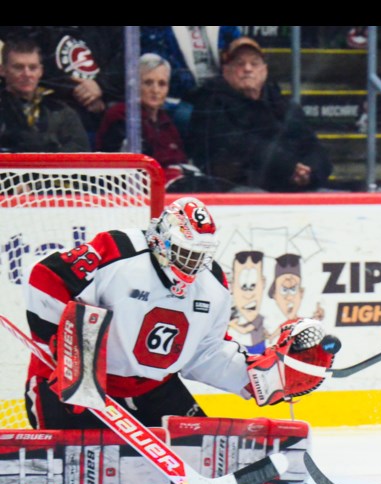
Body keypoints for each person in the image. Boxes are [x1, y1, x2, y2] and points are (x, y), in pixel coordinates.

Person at [23, 196, 338, 430]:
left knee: (206, 455)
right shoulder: (118, 250)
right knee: (81, 462)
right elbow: (45, 279)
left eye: (200, 255)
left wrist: (265, 377)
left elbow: (205, 352)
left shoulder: (212, 283)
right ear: (161, 239)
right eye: (186, 253)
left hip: (153, 389)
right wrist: (68, 357)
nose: (192, 264)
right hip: (72, 386)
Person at [188, 36, 333, 192]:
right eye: (240, 64)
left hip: (292, 184)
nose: (248, 69)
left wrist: (310, 172)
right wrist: (289, 167)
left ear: (264, 70)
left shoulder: (283, 104)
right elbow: (238, 146)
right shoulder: (209, 102)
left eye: (254, 63)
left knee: (333, 199)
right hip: (237, 189)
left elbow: (314, 147)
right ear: (226, 70)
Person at [94, 53, 231, 192]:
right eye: (148, 82)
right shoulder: (122, 115)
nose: (155, 90)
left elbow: (179, 159)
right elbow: (131, 170)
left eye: (162, 84)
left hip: (172, 185)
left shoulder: (165, 119)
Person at [0, 26, 125, 138]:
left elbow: (128, 61)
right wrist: (80, 92)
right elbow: (30, 69)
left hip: (101, 115)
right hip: (48, 120)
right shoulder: (34, 33)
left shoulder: (108, 31)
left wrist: (101, 86)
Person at [0, 36, 90, 153]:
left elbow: (81, 158)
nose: (27, 74)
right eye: (18, 67)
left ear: (40, 71)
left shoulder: (63, 113)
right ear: (2, 70)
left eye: (32, 68)